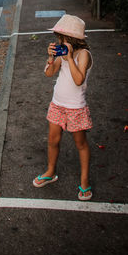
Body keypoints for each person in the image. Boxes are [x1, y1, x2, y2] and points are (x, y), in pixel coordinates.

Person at [32, 14, 93, 201]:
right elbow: (49, 74)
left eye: (61, 37)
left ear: (72, 39)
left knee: (80, 144)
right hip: (57, 103)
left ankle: (84, 182)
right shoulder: (61, 53)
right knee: (52, 140)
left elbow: (78, 80)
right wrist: (51, 58)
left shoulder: (83, 55)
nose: (58, 40)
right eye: (59, 37)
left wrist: (68, 58)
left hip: (75, 107)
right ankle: (50, 171)